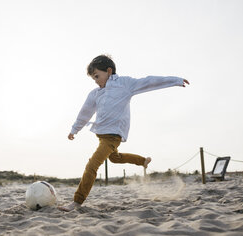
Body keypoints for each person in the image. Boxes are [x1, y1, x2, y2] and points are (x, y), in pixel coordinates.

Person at [58, 55, 189, 212]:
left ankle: (77, 201)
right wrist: (74, 129)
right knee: (115, 158)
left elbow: (149, 81)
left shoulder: (125, 84)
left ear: (109, 71)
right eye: (93, 79)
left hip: (113, 136)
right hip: (101, 135)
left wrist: (175, 80)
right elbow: (85, 113)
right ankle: (143, 161)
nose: (96, 81)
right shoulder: (95, 93)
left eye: (97, 76)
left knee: (92, 165)